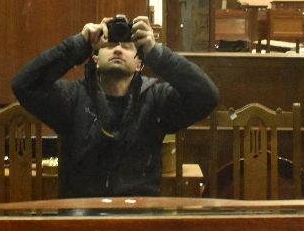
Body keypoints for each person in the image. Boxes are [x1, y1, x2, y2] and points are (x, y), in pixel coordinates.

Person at [11, 14, 219, 198]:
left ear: (139, 64)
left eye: (127, 46)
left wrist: (156, 53)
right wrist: (78, 44)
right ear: (95, 58)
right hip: (82, 218)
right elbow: (24, 85)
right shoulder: (73, 98)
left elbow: (206, 96)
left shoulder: (155, 100)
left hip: (139, 216)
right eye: (110, 44)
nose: (118, 48)